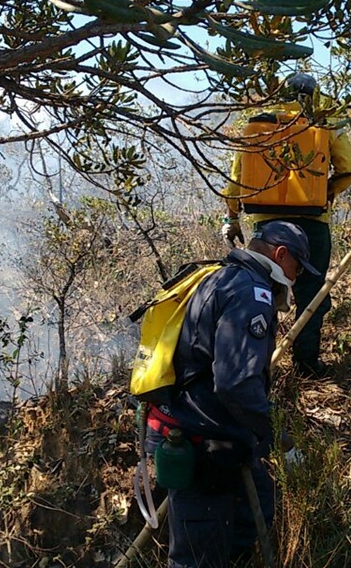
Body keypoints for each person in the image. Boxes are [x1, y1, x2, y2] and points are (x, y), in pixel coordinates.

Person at [145, 221, 320, 568]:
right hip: (201, 442)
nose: (295, 278)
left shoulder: (217, 277)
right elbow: (235, 383)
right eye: (296, 268)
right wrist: (280, 437)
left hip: (211, 430)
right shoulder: (250, 293)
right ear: (280, 255)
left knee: (254, 511)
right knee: (197, 555)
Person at [221, 73, 351, 378]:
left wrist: (232, 218)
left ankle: (254, 367)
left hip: (266, 226)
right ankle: (306, 366)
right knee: (311, 297)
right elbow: (349, 169)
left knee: (259, 293)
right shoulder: (326, 123)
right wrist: (326, 193)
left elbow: (235, 180)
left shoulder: (256, 124)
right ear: (315, 95)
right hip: (313, 226)